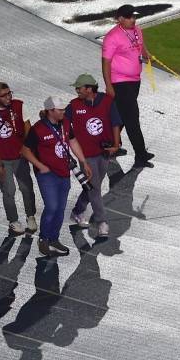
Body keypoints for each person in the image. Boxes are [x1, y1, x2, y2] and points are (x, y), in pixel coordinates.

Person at [21, 97, 94, 257]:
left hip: (63, 171)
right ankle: (43, 239)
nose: (63, 111)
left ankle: (53, 238)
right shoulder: (38, 129)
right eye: (60, 109)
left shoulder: (66, 123)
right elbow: (25, 150)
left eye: (63, 109)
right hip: (47, 175)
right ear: (50, 110)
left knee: (60, 209)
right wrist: (40, 166)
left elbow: (72, 141)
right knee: (52, 207)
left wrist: (83, 161)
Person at [66, 73, 123, 242]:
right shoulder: (74, 105)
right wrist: (46, 114)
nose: (77, 91)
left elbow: (115, 123)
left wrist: (116, 144)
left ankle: (77, 211)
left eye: (79, 88)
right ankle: (102, 222)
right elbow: (61, 120)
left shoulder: (107, 101)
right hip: (86, 156)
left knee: (91, 186)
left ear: (89, 89)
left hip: (104, 153)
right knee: (95, 188)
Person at [101, 4, 154, 168]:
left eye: (134, 16)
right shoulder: (112, 37)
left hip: (134, 80)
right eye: (130, 17)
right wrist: (109, 85)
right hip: (119, 82)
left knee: (122, 116)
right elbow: (105, 63)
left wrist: (146, 54)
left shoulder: (137, 30)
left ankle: (109, 145)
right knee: (132, 118)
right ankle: (140, 155)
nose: (133, 19)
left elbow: (140, 45)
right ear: (120, 19)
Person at [0, 81, 36, 235]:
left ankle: (30, 216)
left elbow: (28, 126)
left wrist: (26, 148)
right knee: (9, 190)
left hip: (19, 156)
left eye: (9, 93)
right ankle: (13, 220)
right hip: (2, 159)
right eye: (4, 95)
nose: (8, 97)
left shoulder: (18, 105)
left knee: (26, 187)